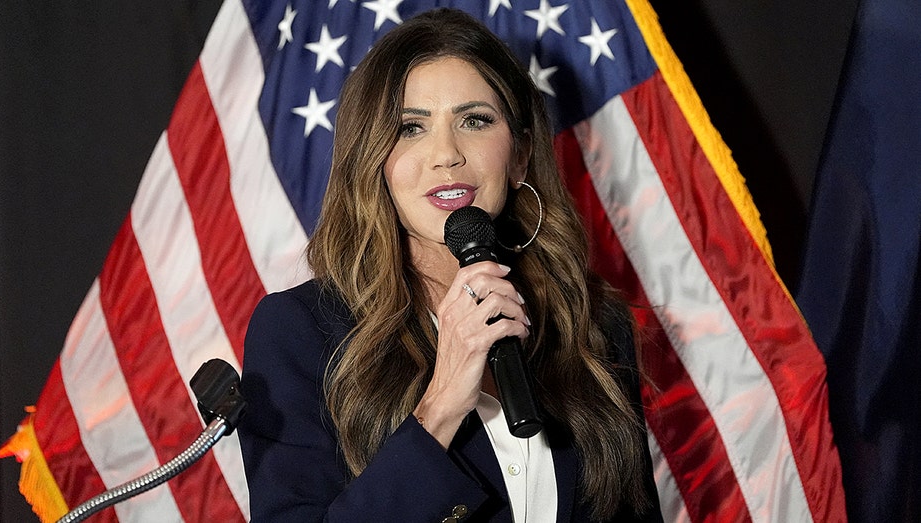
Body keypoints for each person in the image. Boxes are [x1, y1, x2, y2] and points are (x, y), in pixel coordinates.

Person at [238, 8, 662, 522]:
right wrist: (439, 406)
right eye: (411, 127)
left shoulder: (592, 323)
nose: (446, 155)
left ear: (520, 154)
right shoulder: (297, 333)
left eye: (475, 120)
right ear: (372, 161)